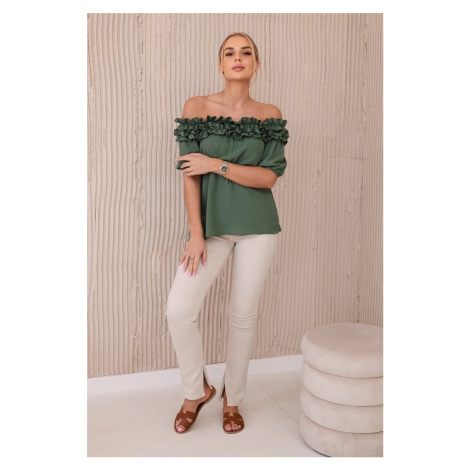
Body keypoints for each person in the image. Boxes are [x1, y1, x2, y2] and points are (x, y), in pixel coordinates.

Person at [166, 32, 289, 434]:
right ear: (220, 64)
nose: (238, 57)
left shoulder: (269, 114)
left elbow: (268, 177)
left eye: (246, 52)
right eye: (229, 52)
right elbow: (189, 174)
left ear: (256, 64)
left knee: (243, 315)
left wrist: (216, 164)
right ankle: (196, 391)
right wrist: (195, 233)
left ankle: (232, 399)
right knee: (179, 310)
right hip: (212, 229)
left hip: (258, 227)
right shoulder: (197, 107)